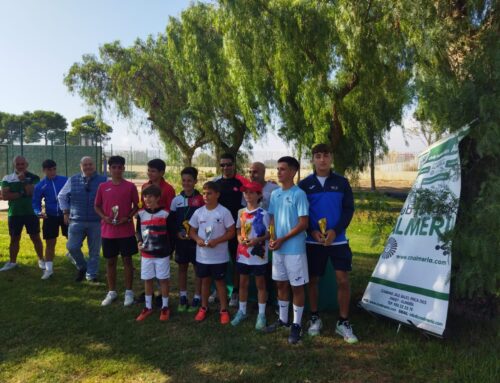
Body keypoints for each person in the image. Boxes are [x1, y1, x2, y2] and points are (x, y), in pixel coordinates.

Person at [298, 143, 358, 343]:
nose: (322, 160)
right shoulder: (305, 185)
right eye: (318, 156)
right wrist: (311, 231)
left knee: (342, 280)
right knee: (313, 280)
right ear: (313, 159)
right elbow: (301, 213)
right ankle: (314, 318)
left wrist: (335, 231)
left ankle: (343, 321)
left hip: (338, 241)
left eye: (325, 156)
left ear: (331, 158)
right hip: (314, 242)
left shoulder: (342, 182)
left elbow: (348, 210)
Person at [264, 156, 309, 345]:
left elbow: (303, 223)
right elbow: (272, 219)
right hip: (279, 248)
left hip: (294, 249)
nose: (278, 172)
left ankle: (296, 324)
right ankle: (283, 320)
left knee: (296, 287)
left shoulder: (299, 194)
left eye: (283, 169)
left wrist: (283, 239)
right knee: (280, 284)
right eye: (278, 169)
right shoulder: (275, 194)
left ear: (293, 172)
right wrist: (273, 237)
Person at [95, 155, 139, 307]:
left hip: (126, 231)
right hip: (108, 231)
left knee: (127, 260)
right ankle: (112, 291)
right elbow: (97, 206)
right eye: (114, 167)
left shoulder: (130, 186)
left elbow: (136, 206)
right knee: (110, 261)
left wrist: (127, 218)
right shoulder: (102, 187)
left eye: (120, 167)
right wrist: (105, 217)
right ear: (110, 169)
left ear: (123, 169)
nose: (117, 170)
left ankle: (128, 292)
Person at [188, 181, 235, 324]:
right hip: (202, 256)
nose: (206, 196)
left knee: (220, 283)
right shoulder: (198, 212)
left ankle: (224, 310)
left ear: (217, 195)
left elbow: (232, 232)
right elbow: (192, 231)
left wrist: (217, 241)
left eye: (209, 193)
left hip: (219, 257)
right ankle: (203, 308)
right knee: (205, 282)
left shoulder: (224, 212)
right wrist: (197, 239)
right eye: (204, 193)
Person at [58, 156, 107, 281]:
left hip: (96, 221)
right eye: (85, 165)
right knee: (72, 247)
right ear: (81, 166)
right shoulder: (73, 180)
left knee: (94, 251)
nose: (88, 167)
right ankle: (82, 266)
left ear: (94, 166)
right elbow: (62, 196)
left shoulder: (104, 180)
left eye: (90, 164)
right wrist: (65, 212)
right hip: (76, 220)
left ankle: (91, 275)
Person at [231, 181, 270, 330]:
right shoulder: (241, 213)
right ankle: (242, 311)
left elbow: (269, 234)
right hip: (243, 255)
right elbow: (238, 230)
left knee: (260, 285)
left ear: (259, 195)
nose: (248, 195)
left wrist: (257, 240)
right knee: (242, 283)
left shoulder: (264, 214)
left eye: (251, 192)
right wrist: (240, 239)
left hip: (259, 256)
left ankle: (261, 314)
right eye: (245, 192)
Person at [0, 156, 44, 272]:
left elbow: (32, 192)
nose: (20, 166)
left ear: (26, 164)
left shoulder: (34, 177)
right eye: (18, 164)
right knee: (14, 238)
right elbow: (5, 196)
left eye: (22, 164)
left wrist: (24, 181)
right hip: (14, 213)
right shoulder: (7, 178)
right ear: (14, 165)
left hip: (31, 212)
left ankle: (41, 260)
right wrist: (22, 193)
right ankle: (12, 262)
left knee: (35, 237)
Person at [169, 166, 204, 312]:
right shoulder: (176, 200)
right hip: (181, 240)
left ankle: (197, 297)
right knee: (182, 268)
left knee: (197, 269)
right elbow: (172, 221)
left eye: (190, 180)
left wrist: (198, 235)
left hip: (196, 240)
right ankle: (182, 296)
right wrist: (177, 233)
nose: (186, 183)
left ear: (195, 181)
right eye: (184, 180)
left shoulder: (201, 199)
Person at [135, 185, 171, 321]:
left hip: (162, 254)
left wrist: (169, 250)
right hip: (147, 254)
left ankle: (165, 306)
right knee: (148, 279)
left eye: (150, 196)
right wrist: (139, 241)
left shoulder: (166, 214)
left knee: (163, 280)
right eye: (145, 196)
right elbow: (138, 230)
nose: (147, 199)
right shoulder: (141, 214)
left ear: (158, 198)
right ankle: (148, 306)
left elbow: (171, 233)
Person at [214, 153, 246, 307]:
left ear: (234, 165)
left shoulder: (241, 184)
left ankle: (235, 292)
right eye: (222, 165)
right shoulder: (216, 184)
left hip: (235, 228)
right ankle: (216, 289)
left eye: (228, 164)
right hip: (218, 229)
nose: (225, 167)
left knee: (236, 261)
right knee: (217, 261)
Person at [32, 159, 68, 279]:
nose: (52, 172)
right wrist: (38, 212)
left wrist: (70, 210)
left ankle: (76, 258)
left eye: (54, 169)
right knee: (50, 243)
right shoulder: (40, 185)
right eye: (49, 170)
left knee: (73, 240)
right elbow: (35, 203)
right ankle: (49, 270)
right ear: (44, 170)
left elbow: (72, 195)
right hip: (50, 216)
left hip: (65, 214)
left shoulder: (65, 180)